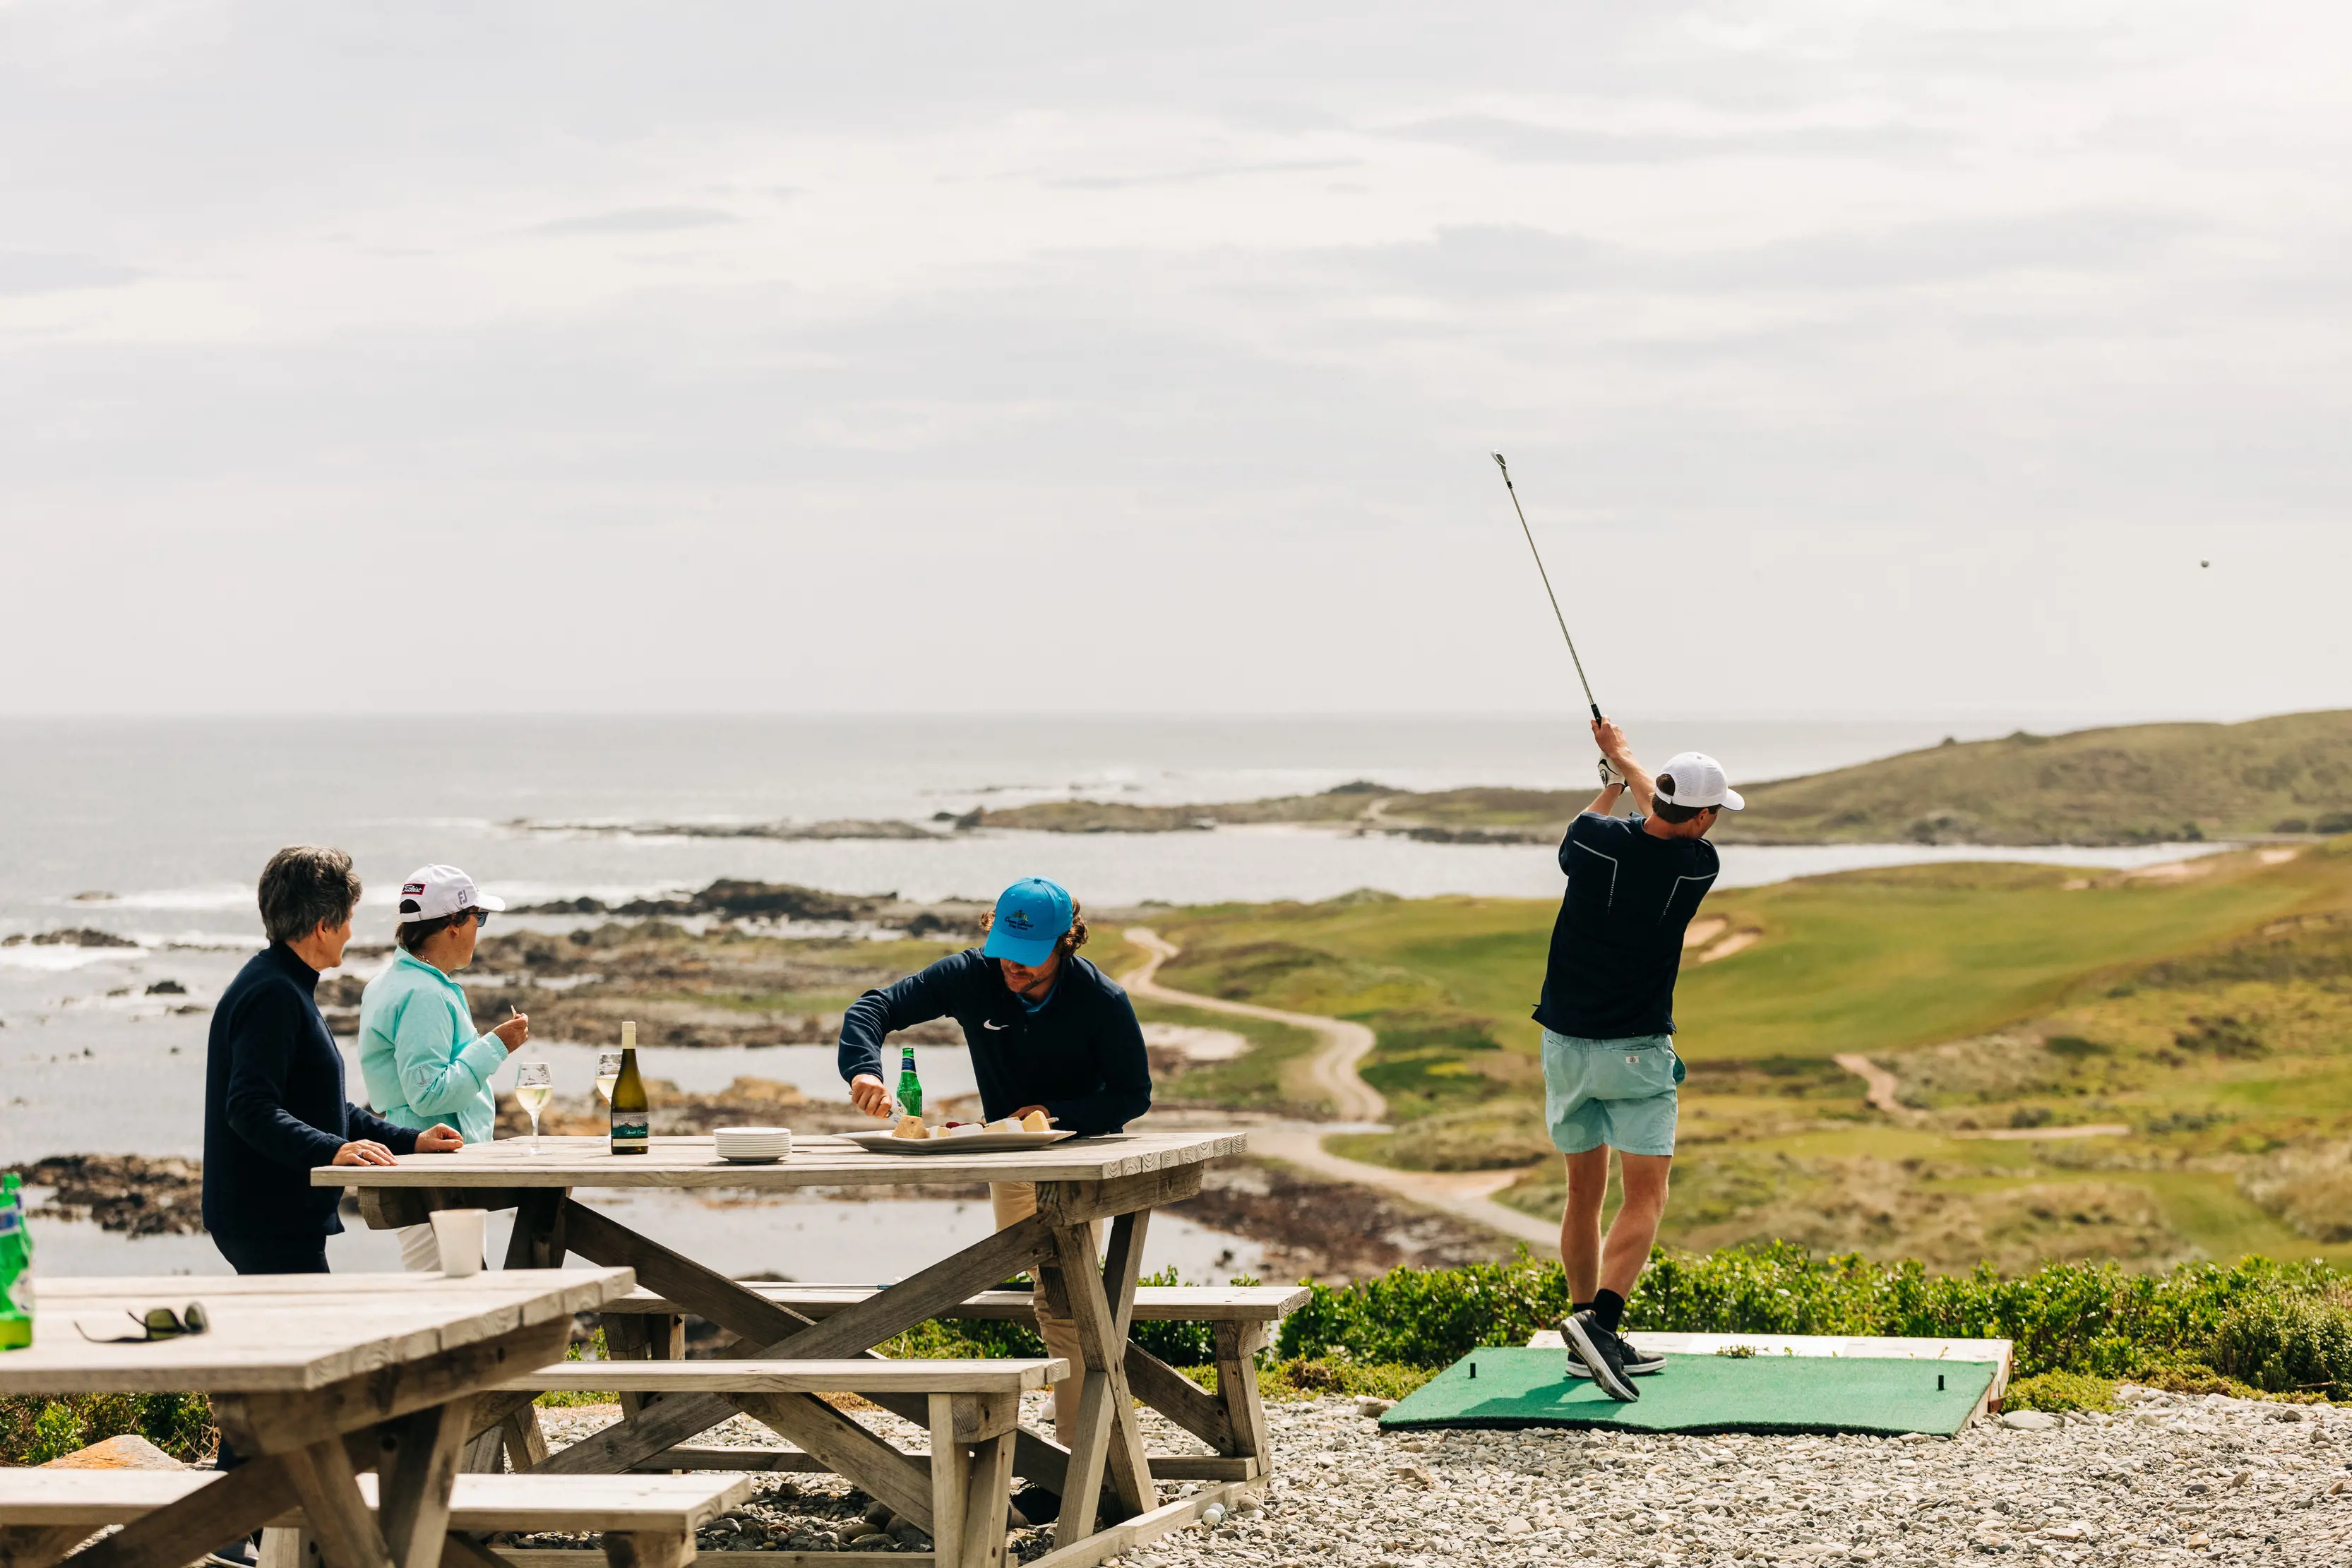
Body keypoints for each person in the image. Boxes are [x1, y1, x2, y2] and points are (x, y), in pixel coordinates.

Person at [837, 876, 1150, 1520]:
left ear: (1065, 943)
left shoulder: (1102, 999)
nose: (1012, 964)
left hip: (1076, 1162)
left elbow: (1131, 1095)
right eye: (1005, 946)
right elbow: (872, 1007)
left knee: (1064, 1298)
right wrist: (863, 1069)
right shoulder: (973, 975)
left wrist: (1056, 1111)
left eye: (1027, 954)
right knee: (1044, 1291)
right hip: (1008, 1161)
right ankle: (1066, 1463)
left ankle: (1081, 1469)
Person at [1541, 721, 1743, 1403]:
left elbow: (1585, 825)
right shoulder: (1699, 865)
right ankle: (1600, 1327)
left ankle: (1581, 1336)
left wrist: (1613, 773)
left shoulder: (1593, 842)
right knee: (1646, 1196)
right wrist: (1624, 762)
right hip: (1634, 1052)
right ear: (1706, 817)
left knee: (1582, 1195)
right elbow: (1657, 807)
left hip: (1564, 1043)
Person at [203, 845, 466, 1275]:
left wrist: (410, 1140)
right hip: (268, 1220)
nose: (350, 933)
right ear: (323, 926)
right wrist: (336, 1149)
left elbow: (318, 1105)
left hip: (277, 1218)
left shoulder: (282, 984)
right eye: (347, 920)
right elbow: (249, 1108)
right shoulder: (273, 995)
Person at [358, 863, 529, 1271]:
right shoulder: (424, 993)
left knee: (444, 1287)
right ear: (454, 923)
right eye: (478, 918)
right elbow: (428, 1092)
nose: (479, 930)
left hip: (422, 1164)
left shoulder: (388, 983)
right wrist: (496, 1046)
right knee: (451, 1292)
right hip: (435, 1170)